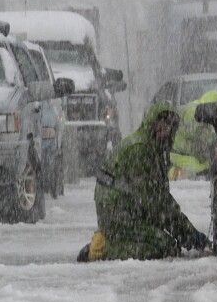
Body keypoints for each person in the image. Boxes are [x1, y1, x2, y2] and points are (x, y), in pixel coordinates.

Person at [77, 102, 209, 261]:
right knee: (162, 245)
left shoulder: (153, 149)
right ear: (152, 122)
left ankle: (114, 240)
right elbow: (155, 203)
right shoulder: (140, 150)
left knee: (165, 240)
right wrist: (187, 235)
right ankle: (100, 249)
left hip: (130, 209)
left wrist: (187, 233)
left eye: (170, 125)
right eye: (162, 121)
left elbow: (161, 198)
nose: (166, 128)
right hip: (116, 214)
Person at [169, 90, 217, 180]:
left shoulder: (201, 111)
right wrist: (214, 139)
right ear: (212, 106)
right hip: (182, 154)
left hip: (188, 152)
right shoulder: (194, 111)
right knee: (201, 170)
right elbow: (196, 133)